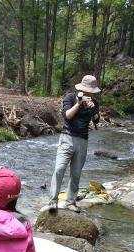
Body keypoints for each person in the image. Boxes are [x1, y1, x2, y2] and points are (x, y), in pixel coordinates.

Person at [42, 75, 101, 213]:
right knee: (59, 169)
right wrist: (79, 104)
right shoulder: (70, 97)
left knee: (76, 173)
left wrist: (94, 111)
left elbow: (96, 121)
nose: (89, 94)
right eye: (87, 91)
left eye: (91, 92)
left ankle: (70, 201)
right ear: (81, 89)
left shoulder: (95, 103)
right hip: (67, 138)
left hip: (83, 140)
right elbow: (67, 115)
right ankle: (52, 201)